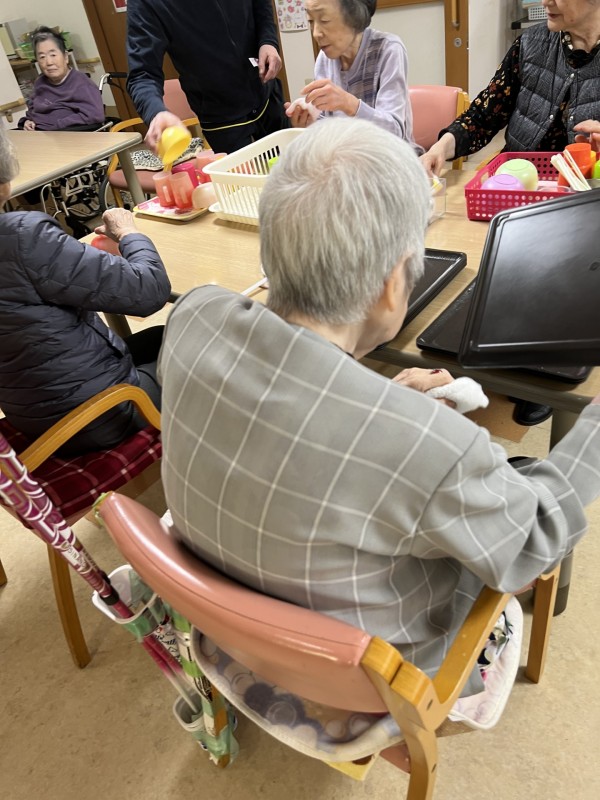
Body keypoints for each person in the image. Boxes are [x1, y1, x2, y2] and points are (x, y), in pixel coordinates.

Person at [158, 117, 600, 701]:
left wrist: (383, 404)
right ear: (395, 284)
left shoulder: (194, 316)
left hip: (232, 630)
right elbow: (533, 543)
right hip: (370, 679)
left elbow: (282, 404)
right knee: (516, 502)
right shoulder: (434, 447)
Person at [421, 0, 600, 427]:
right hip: (514, 194)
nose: (543, 1)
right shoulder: (531, 44)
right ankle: (498, 352)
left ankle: (543, 371)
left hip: (583, 208)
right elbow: (486, 112)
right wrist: (444, 146)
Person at [0, 127, 171, 455]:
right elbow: (150, 290)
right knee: (210, 343)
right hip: (97, 416)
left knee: (163, 335)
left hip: (34, 415)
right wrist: (129, 232)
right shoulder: (21, 237)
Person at [126, 0, 289, 155]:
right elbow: (142, 74)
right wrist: (156, 112)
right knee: (244, 176)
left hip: (267, 96)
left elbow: (261, 6)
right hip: (222, 119)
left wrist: (268, 41)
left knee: (292, 167)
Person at [286, 0, 417, 145]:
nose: (316, 33)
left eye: (324, 20)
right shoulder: (324, 59)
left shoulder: (388, 49)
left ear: (355, 17)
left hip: (391, 155)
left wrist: (349, 104)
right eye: (310, 20)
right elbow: (329, 127)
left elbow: (395, 133)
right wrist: (310, 124)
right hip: (348, 154)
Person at [19, 27, 105, 132]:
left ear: (65, 57)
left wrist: (58, 126)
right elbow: (32, 109)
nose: (49, 62)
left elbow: (96, 115)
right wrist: (27, 121)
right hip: (38, 134)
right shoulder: (40, 82)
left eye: (53, 55)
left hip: (65, 136)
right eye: (42, 57)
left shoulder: (82, 84)